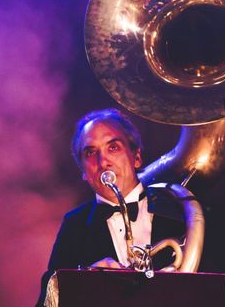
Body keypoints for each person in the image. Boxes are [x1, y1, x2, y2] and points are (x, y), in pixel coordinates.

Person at [35, 108, 184, 306]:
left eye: (113, 147)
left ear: (136, 157)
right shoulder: (74, 226)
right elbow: (48, 301)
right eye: (90, 152)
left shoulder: (181, 210)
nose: (103, 162)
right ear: (83, 171)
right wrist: (85, 280)